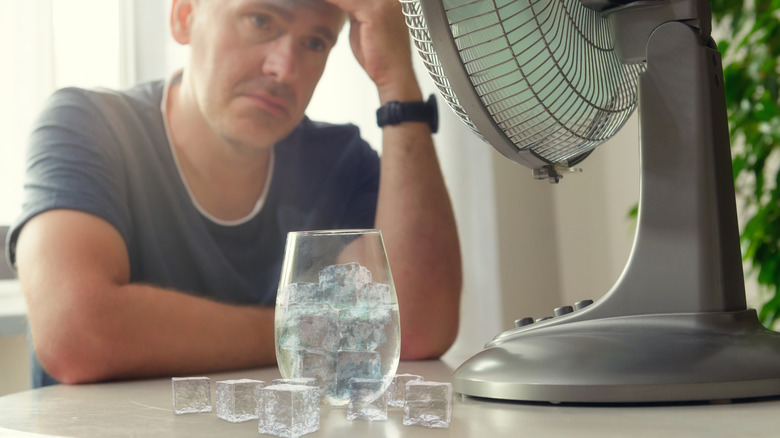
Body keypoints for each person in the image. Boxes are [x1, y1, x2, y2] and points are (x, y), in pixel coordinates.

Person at [6, 0, 461, 386]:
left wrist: (396, 83)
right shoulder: (88, 126)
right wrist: (317, 330)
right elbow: (77, 334)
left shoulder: (341, 162)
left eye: (315, 42)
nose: (283, 69)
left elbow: (415, 332)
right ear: (184, 16)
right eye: (261, 20)